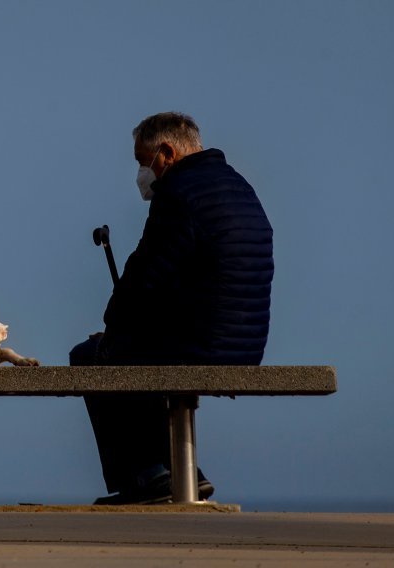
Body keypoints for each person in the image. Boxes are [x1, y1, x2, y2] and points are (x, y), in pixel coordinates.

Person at [70, 112, 274, 504]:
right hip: (245, 345)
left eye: (141, 160)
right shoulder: (239, 186)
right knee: (134, 348)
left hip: (199, 343)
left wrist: (112, 329)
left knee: (92, 355)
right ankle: (182, 472)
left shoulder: (178, 194)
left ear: (166, 153)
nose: (142, 172)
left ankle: (147, 478)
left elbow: (144, 278)